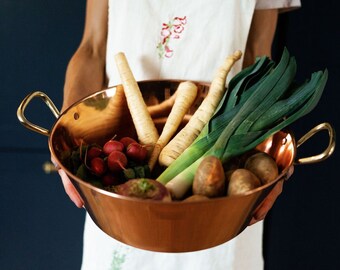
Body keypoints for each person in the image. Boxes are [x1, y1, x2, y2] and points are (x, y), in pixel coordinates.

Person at [57, 0, 301, 269]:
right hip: (121, 179)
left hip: (223, 186)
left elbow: (257, 55)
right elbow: (92, 48)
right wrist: (68, 135)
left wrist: (277, 166)